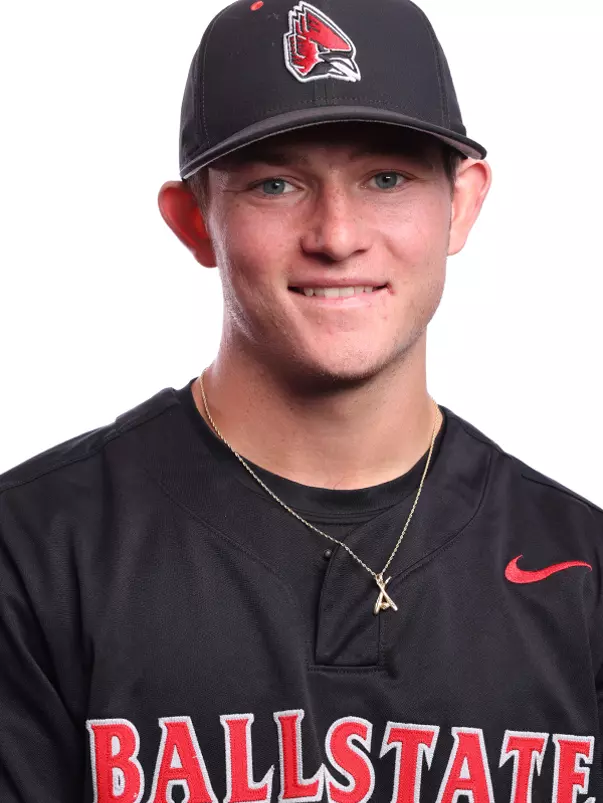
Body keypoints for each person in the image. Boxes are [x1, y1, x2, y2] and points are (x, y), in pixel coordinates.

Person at [1, 0, 602, 800]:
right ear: (194, 222)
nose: (337, 233)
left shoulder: (581, 569)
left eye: (386, 178)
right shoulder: (37, 551)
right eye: (276, 184)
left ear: (460, 204)